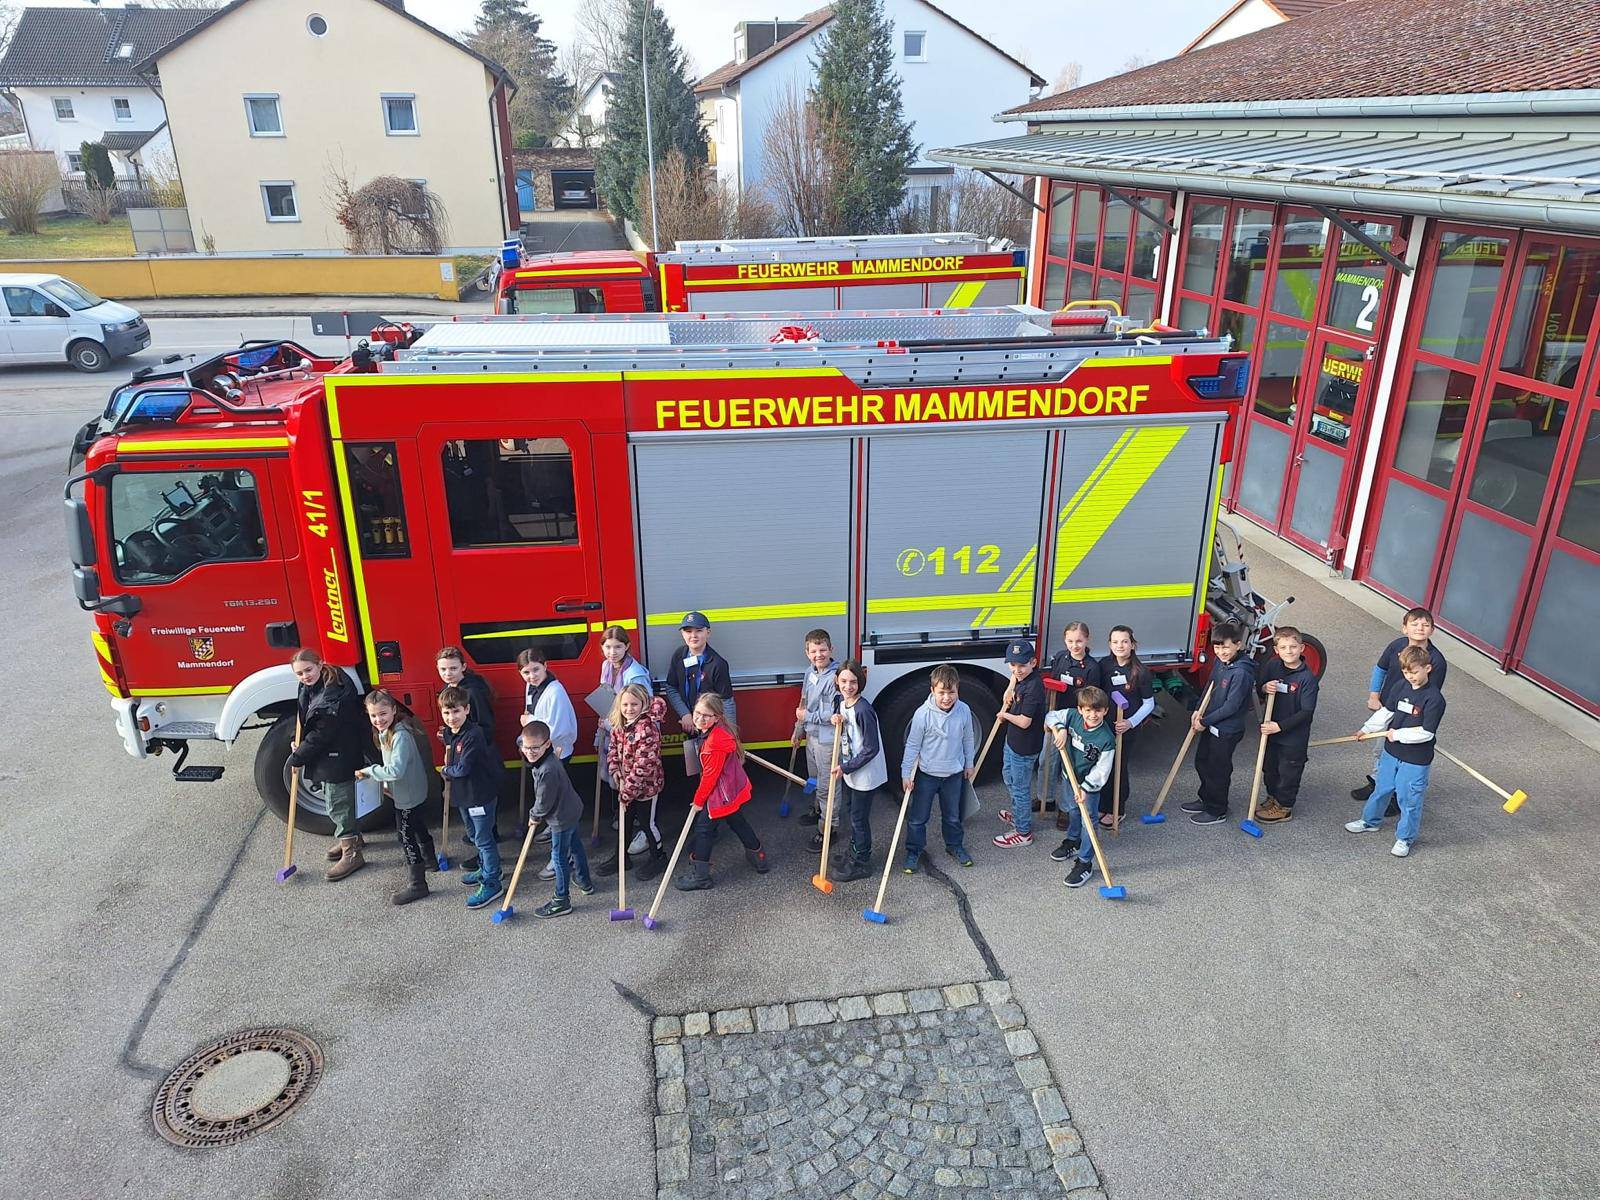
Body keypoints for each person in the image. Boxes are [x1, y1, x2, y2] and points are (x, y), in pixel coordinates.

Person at [1345, 645, 1445, 858]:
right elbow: (1387, 712)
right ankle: (1370, 821)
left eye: (1415, 672)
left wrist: (1397, 734)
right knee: (1381, 788)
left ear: (1428, 668)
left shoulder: (1434, 699)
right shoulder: (1400, 686)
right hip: (1391, 752)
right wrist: (1366, 729)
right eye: (1407, 672)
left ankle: (1405, 838)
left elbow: (1426, 733)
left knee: (1409, 799)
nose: (1411, 677)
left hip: (1416, 759)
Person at [286, 648, 370, 881]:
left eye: (308, 670)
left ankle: (352, 853)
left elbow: (323, 732)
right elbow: (306, 717)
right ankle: (354, 839)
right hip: (327, 754)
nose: (305, 676)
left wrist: (298, 756)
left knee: (337, 802)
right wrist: (298, 739)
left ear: (320, 664)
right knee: (334, 798)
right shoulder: (310, 685)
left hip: (339, 753)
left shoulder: (334, 693)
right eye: (299, 673)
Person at [1354, 607, 1448, 807]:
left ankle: (1396, 796)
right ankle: (1378, 783)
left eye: (1425, 625)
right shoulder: (1396, 645)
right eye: (1414, 624)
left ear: (1432, 630)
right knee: (1381, 749)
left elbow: (1430, 695)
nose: (1420, 628)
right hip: (1388, 707)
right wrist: (1374, 695)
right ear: (1404, 628)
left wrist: (1411, 724)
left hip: (1412, 715)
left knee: (1404, 755)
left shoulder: (1436, 660)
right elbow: (1381, 669)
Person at [674, 693, 768, 891]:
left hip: (720, 794)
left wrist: (699, 801)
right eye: (697, 713)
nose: (700, 719)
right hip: (730, 790)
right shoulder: (719, 730)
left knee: (704, 829)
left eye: (706, 716)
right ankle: (758, 856)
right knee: (737, 821)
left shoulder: (714, 744)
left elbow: (710, 778)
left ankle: (701, 876)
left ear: (716, 717)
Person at [355, 689, 434, 905]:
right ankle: (430, 860)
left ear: (393, 710)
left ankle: (418, 885)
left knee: (405, 836)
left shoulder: (400, 736)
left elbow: (395, 770)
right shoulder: (388, 732)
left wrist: (370, 771)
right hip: (409, 791)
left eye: (383, 714)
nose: (378, 719)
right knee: (417, 826)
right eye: (373, 715)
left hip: (408, 795)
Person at [900, 665, 977, 872]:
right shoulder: (922, 714)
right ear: (932, 690)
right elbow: (913, 745)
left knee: (952, 816)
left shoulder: (964, 710)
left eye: (951, 692)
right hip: (927, 774)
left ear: (958, 690)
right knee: (918, 818)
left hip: (953, 774)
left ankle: (954, 846)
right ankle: (914, 850)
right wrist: (906, 773)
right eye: (941, 692)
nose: (946, 698)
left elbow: (968, 738)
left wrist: (969, 763)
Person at [517, 720, 595, 917]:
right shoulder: (545, 760)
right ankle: (584, 881)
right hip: (571, 809)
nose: (530, 751)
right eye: (526, 747)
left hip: (561, 817)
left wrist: (534, 816)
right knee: (575, 846)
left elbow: (544, 801)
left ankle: (561, 900)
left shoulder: (548, 769)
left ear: (547, 744)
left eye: (535, 747)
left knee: (559, 857)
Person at [1183, 621, 1256, 826]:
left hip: (1226, 730)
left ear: (1238, 645)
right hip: (1211, 722)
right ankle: (1205, 798)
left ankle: (1217, 809)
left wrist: (1204, 721)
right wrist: (1198, 709)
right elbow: (1210, 687)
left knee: (1218, 769)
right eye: (1217, 647)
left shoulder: (1241, 672)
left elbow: (1232, 706)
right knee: (1202, 762)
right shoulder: (1220, 663)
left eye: (1225, 646)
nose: (1221, 651)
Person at [1042, 685, 1116, 887]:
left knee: (1088, 822)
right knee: (1072, 811)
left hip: (1088, 786)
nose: (1093, 715)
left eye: (1098, 711)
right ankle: (1073, 840)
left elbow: (1102, 770)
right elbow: (1050, 716)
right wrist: (1061, 728)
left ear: (1105, 711)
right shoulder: (1073, 716)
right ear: (1081, 709)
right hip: (1070, 776)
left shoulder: (1107, 739)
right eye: (1088, 710)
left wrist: (1085, 788)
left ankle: (1085, 863)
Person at [440, 685, 504, 909]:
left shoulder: (473, 735)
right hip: (464, 795)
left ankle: (492, 882)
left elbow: (463, 768)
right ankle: (487, 867)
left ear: (467, 710)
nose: (451, 717)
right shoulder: (451, 732)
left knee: (484, 840)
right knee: (474, 836)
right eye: (446, 713)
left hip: (480, 796)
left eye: (456, 711)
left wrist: (445, 771)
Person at [436, 645, 500, 859]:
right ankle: (482, 843)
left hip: (478, 757)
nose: (448, 673)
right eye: (443, 669)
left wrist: (460, 738)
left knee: (481, 804)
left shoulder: (472, 692)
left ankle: (487, 850)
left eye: (453, 668)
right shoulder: (451, 690)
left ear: (463, 666)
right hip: (464, 752)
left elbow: (486, 727)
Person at [603, 683, 671, 883]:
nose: (629, 709)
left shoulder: (647, 729)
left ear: (644, 704)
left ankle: (658, 856)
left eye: (634, 704)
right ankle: (621, 857)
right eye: (625, 704)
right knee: (625, 820)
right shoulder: (620, 724)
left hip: (647, 787)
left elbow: (644, 765)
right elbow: (614, 748)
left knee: (646, 823)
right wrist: (615, 769)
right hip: (627, 784)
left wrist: (626, 794)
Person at [595, 626, 654, 855]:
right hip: (615, 731)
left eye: (618, 647)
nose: (612, 652)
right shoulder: (606, 666)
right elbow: (606, 695)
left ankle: (645, 830)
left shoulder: (635, 674)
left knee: (638, 783)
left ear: (627, 646)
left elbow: (641, 711)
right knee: (619, 776)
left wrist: (611, 724)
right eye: (608, 647)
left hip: (634, 737)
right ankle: (628, 819)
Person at [518, 647, 578, 870]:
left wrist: (528, 721)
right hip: (540, 753)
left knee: (558, 807)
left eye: (536, 669)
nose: (531, 676)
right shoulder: (532, 687)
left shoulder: (555, 692)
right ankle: (554, 832)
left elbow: (556, 728)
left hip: (556, 754)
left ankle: (563, 856)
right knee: (550, 801)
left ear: (546, 666)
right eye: (526, 672)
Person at [828, 660, 887, 883]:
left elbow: (872, 748)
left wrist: (845, 767)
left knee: (858, 819)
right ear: (837, 681)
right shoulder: (841, 702)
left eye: (853, 682)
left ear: (860, 683)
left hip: (864, 773)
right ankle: (854, 851)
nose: (848, 686)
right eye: (843, 681)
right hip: (851, 769)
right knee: (852, 813)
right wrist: (835, 717)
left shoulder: (864, 710)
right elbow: (839, 712)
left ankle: (862, 861)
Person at [1253, 627, 1319, 823]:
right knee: (1270, 768)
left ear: (1302, 648)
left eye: (1293, 647)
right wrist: (1264, 688)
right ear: (1276, 650)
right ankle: (1272, 798)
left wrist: (1279, 726)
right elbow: (1259, 688)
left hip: (1292, 738)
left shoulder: (1307, 679)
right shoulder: (1273, 666)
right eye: (1283, 647)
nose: (1289, 651)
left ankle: (1284, 807)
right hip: (1271, 732)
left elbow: (1306, 712)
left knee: (1288, 772)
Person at [1041, 622, 1103, 829]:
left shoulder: (1092, 668)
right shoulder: (1060, 657)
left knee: (1070, 770)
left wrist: (1069, 729)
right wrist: (1050, 719)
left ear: (1087, 640)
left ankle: (1066, 809)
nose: (1074, 645)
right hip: (1056, 718)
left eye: (1079, 641)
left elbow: (1091, 703)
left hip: (1076, 723)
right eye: (1070, 641)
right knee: (1047, 761)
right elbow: (1052, 686)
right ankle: (1046, 799)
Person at [665, 612, 734, 778]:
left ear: (708, 633)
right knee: (699, 770)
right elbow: (671, 687)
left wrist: (731, 737)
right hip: (690, 725)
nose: (693, 635)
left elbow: (727, 702)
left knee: (717, 769)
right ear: (682, 634)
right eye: (688, 631)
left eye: (698, 631)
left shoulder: (718, 663)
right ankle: (702, 800)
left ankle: (717, 802)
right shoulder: (679, 655)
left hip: (711, 728)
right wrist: (686, 714)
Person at [994, 640, 1048, 849]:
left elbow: (1025, 722)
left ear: (1033, 663)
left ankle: (1023, 831)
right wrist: (1010, 687)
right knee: (1008, 777)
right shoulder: (1020, 677)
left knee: (1020, 788)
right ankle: (1019, 815)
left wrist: (1004, 714)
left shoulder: (1034, 687)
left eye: (1022, 665)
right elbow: (1014, 678)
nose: (1017, 670)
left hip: (1024, 747)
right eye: (1013, 665)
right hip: (1013, 741)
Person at [1102, 626, 1156, 825]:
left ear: (1133, 644)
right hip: (1105, 725)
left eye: (1124, 641)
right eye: (1115, 642)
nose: (1120, 646)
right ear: (1109, 645)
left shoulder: (1140, 672)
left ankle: (1117, 808)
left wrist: (1130, 723)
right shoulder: (1104, 665)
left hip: (1125, 728)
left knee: (1118, 767)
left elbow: (1149, 703)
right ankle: (1103, 804)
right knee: (1104, 765)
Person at [796, 629, 840, 848]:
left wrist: (807, 717)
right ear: (807, 653)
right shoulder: (809, 672)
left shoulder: (836, 678)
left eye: (823, 650)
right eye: (813, 651)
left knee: (827, 786)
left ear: (831, 650)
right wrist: (798, 728)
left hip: (827, 740)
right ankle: (818, 810)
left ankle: (829, 827)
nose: (819, 655)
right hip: (811, 736)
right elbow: (803, 702)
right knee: (814, 779)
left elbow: (835, 715)